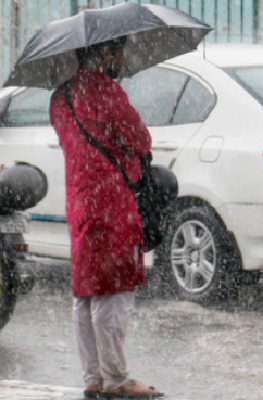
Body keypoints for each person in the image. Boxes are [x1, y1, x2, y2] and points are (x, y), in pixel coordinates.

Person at [49, 37, 164, 399]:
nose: (122, 59)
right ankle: (117, 380)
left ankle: (93, 378)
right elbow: (141, 139)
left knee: (86, 291)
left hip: (80, 202)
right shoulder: (106, 91)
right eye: (120, 52)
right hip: (112, 202)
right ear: (105, 53)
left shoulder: (60, 97)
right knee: (114, 290)